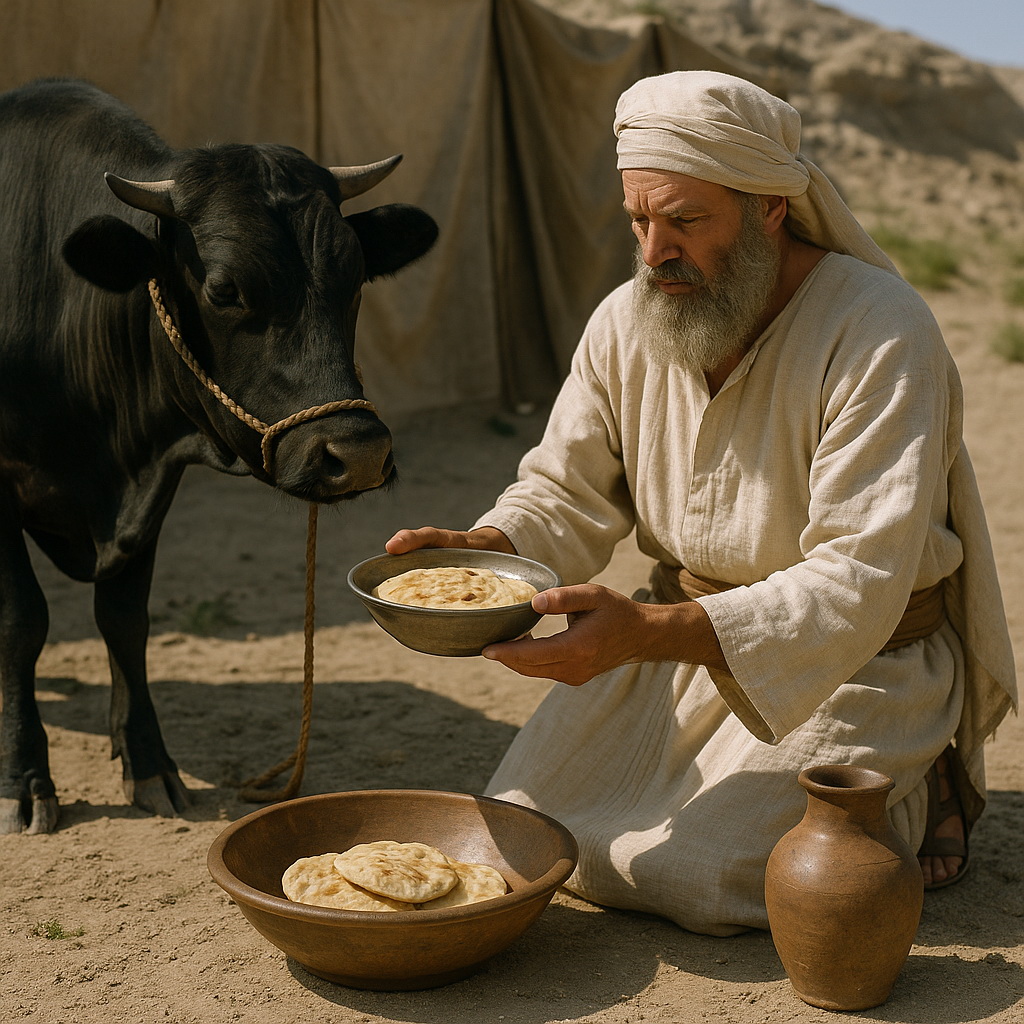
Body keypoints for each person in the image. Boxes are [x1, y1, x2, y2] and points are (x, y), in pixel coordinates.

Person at [385, 71, 1017, 935]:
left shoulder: (879, 329)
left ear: (769, 209)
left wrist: (643, 636)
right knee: (526, 830)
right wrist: (488, 549)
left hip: (846, 664)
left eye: (686, 221)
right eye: (638, 220)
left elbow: (856, 578)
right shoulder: (625, 320)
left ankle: (912, 786)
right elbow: (563, 490)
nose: (654, 253)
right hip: (669, 648)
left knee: (703, 871)